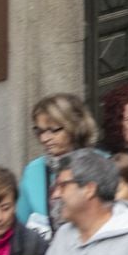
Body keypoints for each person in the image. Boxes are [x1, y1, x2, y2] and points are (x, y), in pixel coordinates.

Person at [17, 93, 98, 236]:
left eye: (53, 130)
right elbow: (19, 225)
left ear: (75, 126)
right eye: (40, 131)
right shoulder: (33, 171)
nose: (44, 138)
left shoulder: (100, 164)